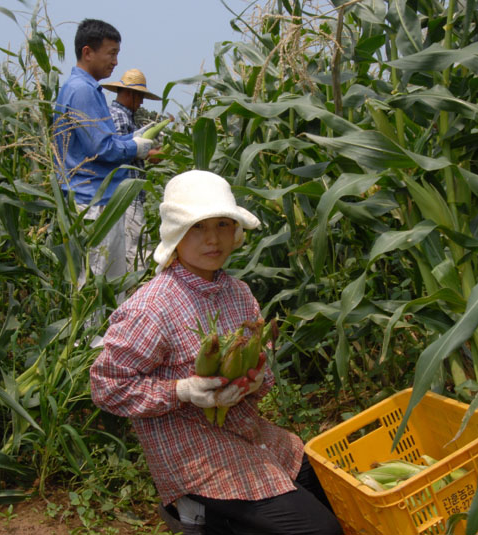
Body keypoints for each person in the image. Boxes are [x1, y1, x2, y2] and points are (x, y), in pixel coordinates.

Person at [89, 170, 342, 535]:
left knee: (332, 490)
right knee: (321, 531)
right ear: (176, 233)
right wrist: (183, 391)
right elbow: (106, 387)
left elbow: (263, 365)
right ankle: (201, 514)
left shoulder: (238, 293)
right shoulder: (152, 307)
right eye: (198, 227)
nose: (213, 239)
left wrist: (254, 383)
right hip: (193, 451)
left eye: (223, 224)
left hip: (248, 432)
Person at [52, 19, 153, 294]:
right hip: (94, 204)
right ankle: (91, 339)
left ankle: (104, 337)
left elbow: (103, 141)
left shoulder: (85, 89)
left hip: (99, 201)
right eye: (111, 53)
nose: (115, 62)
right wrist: (136, 148)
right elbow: (103, 150)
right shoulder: (83, 91)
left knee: (109, 283)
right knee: (99, 286)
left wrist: (131, 139)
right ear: (88, 52)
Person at [101, 68, 163, 272]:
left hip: (130, 194)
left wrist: (150, 154)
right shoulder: (118, 116)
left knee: (134, 247)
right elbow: (118, 151)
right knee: (137, 249)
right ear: (129, 93)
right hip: (125, 195)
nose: (142, 102)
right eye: (140, 97)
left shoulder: (127, 117)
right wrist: (148, 153)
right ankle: (136, 291)